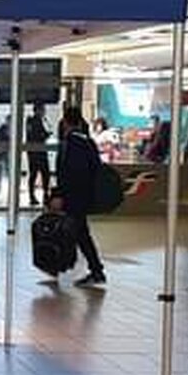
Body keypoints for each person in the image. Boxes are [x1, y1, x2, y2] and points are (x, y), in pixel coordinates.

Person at [53, 107, 107, 286]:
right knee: (78, 232)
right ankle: (89, 269)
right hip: (84, 195)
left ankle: (96, 270)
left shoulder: (68, 144)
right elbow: (96, 168)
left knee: (79, 233)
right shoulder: (88, 142)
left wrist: (59, 194)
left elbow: (65, 173)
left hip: (71, 196)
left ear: (65, 123)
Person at [25, 102, 53, 206]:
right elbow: (37, 136)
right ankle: (38, 195)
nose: (44, 112)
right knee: (41, 173)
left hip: (35, 151)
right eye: (43, 110)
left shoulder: (33, 121)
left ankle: (37, 195)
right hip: (37, 152)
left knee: (38, 174)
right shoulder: (34, 121)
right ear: (37, 110)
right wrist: (46, 135)